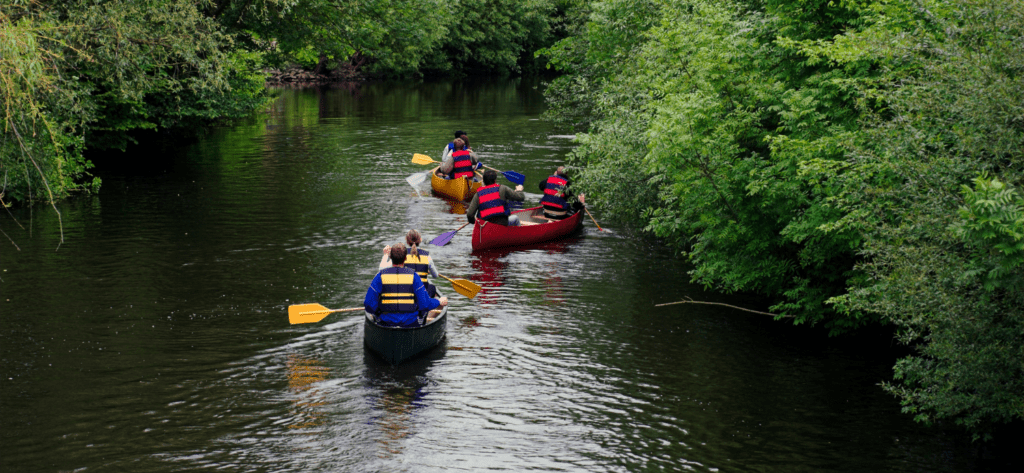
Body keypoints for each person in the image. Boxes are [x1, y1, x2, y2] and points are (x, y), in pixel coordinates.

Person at [365, 243, 448, 327]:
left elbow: (368, 304)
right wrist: (439, 301)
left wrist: (378, 313)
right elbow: (425, 304)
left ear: (390, 257)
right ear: (405, 258)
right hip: (410, 322)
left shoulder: (380, 276)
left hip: (385, 322)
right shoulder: (414, 276)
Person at [378, 230, 439, 297]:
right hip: (422, 294)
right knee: (432, 287)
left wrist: (386, 255)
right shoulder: (427, 256)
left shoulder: (401, 254)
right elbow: (435, 275)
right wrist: (426, 269)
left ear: (406, 241)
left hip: (406, 292)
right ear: (420, 240)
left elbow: (381, 269)